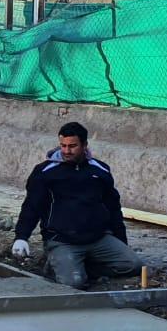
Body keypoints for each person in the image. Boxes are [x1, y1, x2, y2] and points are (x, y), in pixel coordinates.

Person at [11, 121, 143, 289]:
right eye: (63, 146)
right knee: (73, 283)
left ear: (84, 145)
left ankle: (81, 267)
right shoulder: (45, 172)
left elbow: (113, 208)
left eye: (72, 146)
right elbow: (31, 205)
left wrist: (121, 241)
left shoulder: (99, 170)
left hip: (98, 238)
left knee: (133, 265)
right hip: (62, 240)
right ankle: (58, 266)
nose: (66, 151)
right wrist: (21, 237)